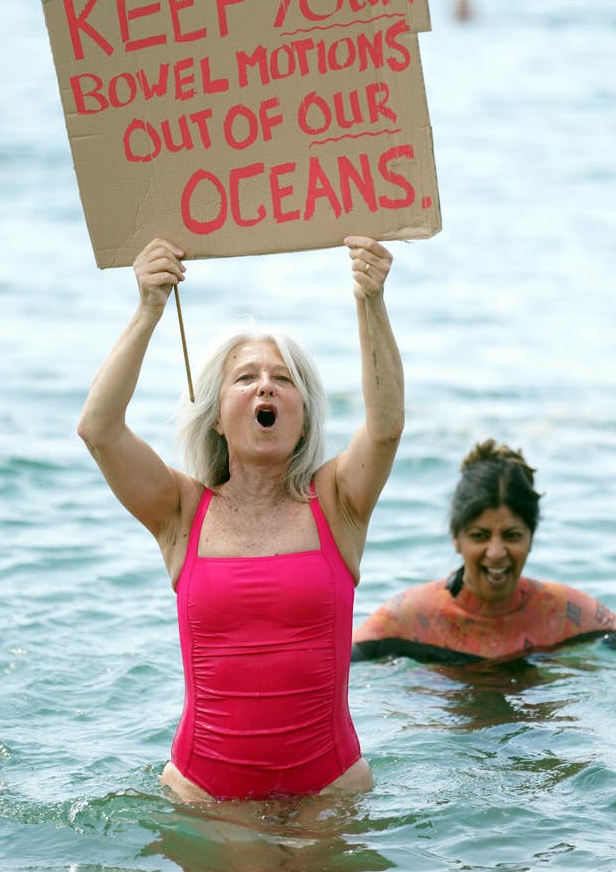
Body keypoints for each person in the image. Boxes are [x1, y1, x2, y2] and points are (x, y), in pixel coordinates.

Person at [77, 235, 404, 802]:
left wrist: (370, 299)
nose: (266, 386)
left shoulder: (337, 503)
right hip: (206, 798)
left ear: (301, 418)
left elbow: (386, 427)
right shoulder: (179, 511)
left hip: (329, 793)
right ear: (218, 419)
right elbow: (99, 428)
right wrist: (149, 308)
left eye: (283, 378)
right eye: (246, 377)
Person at [352, 440, 616, 665]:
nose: (496, 552)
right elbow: (331, 667)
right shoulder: (408, 617)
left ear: (531, 539)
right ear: (456, 538)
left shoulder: (564, 611)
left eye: (512, 536)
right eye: (479, 536)